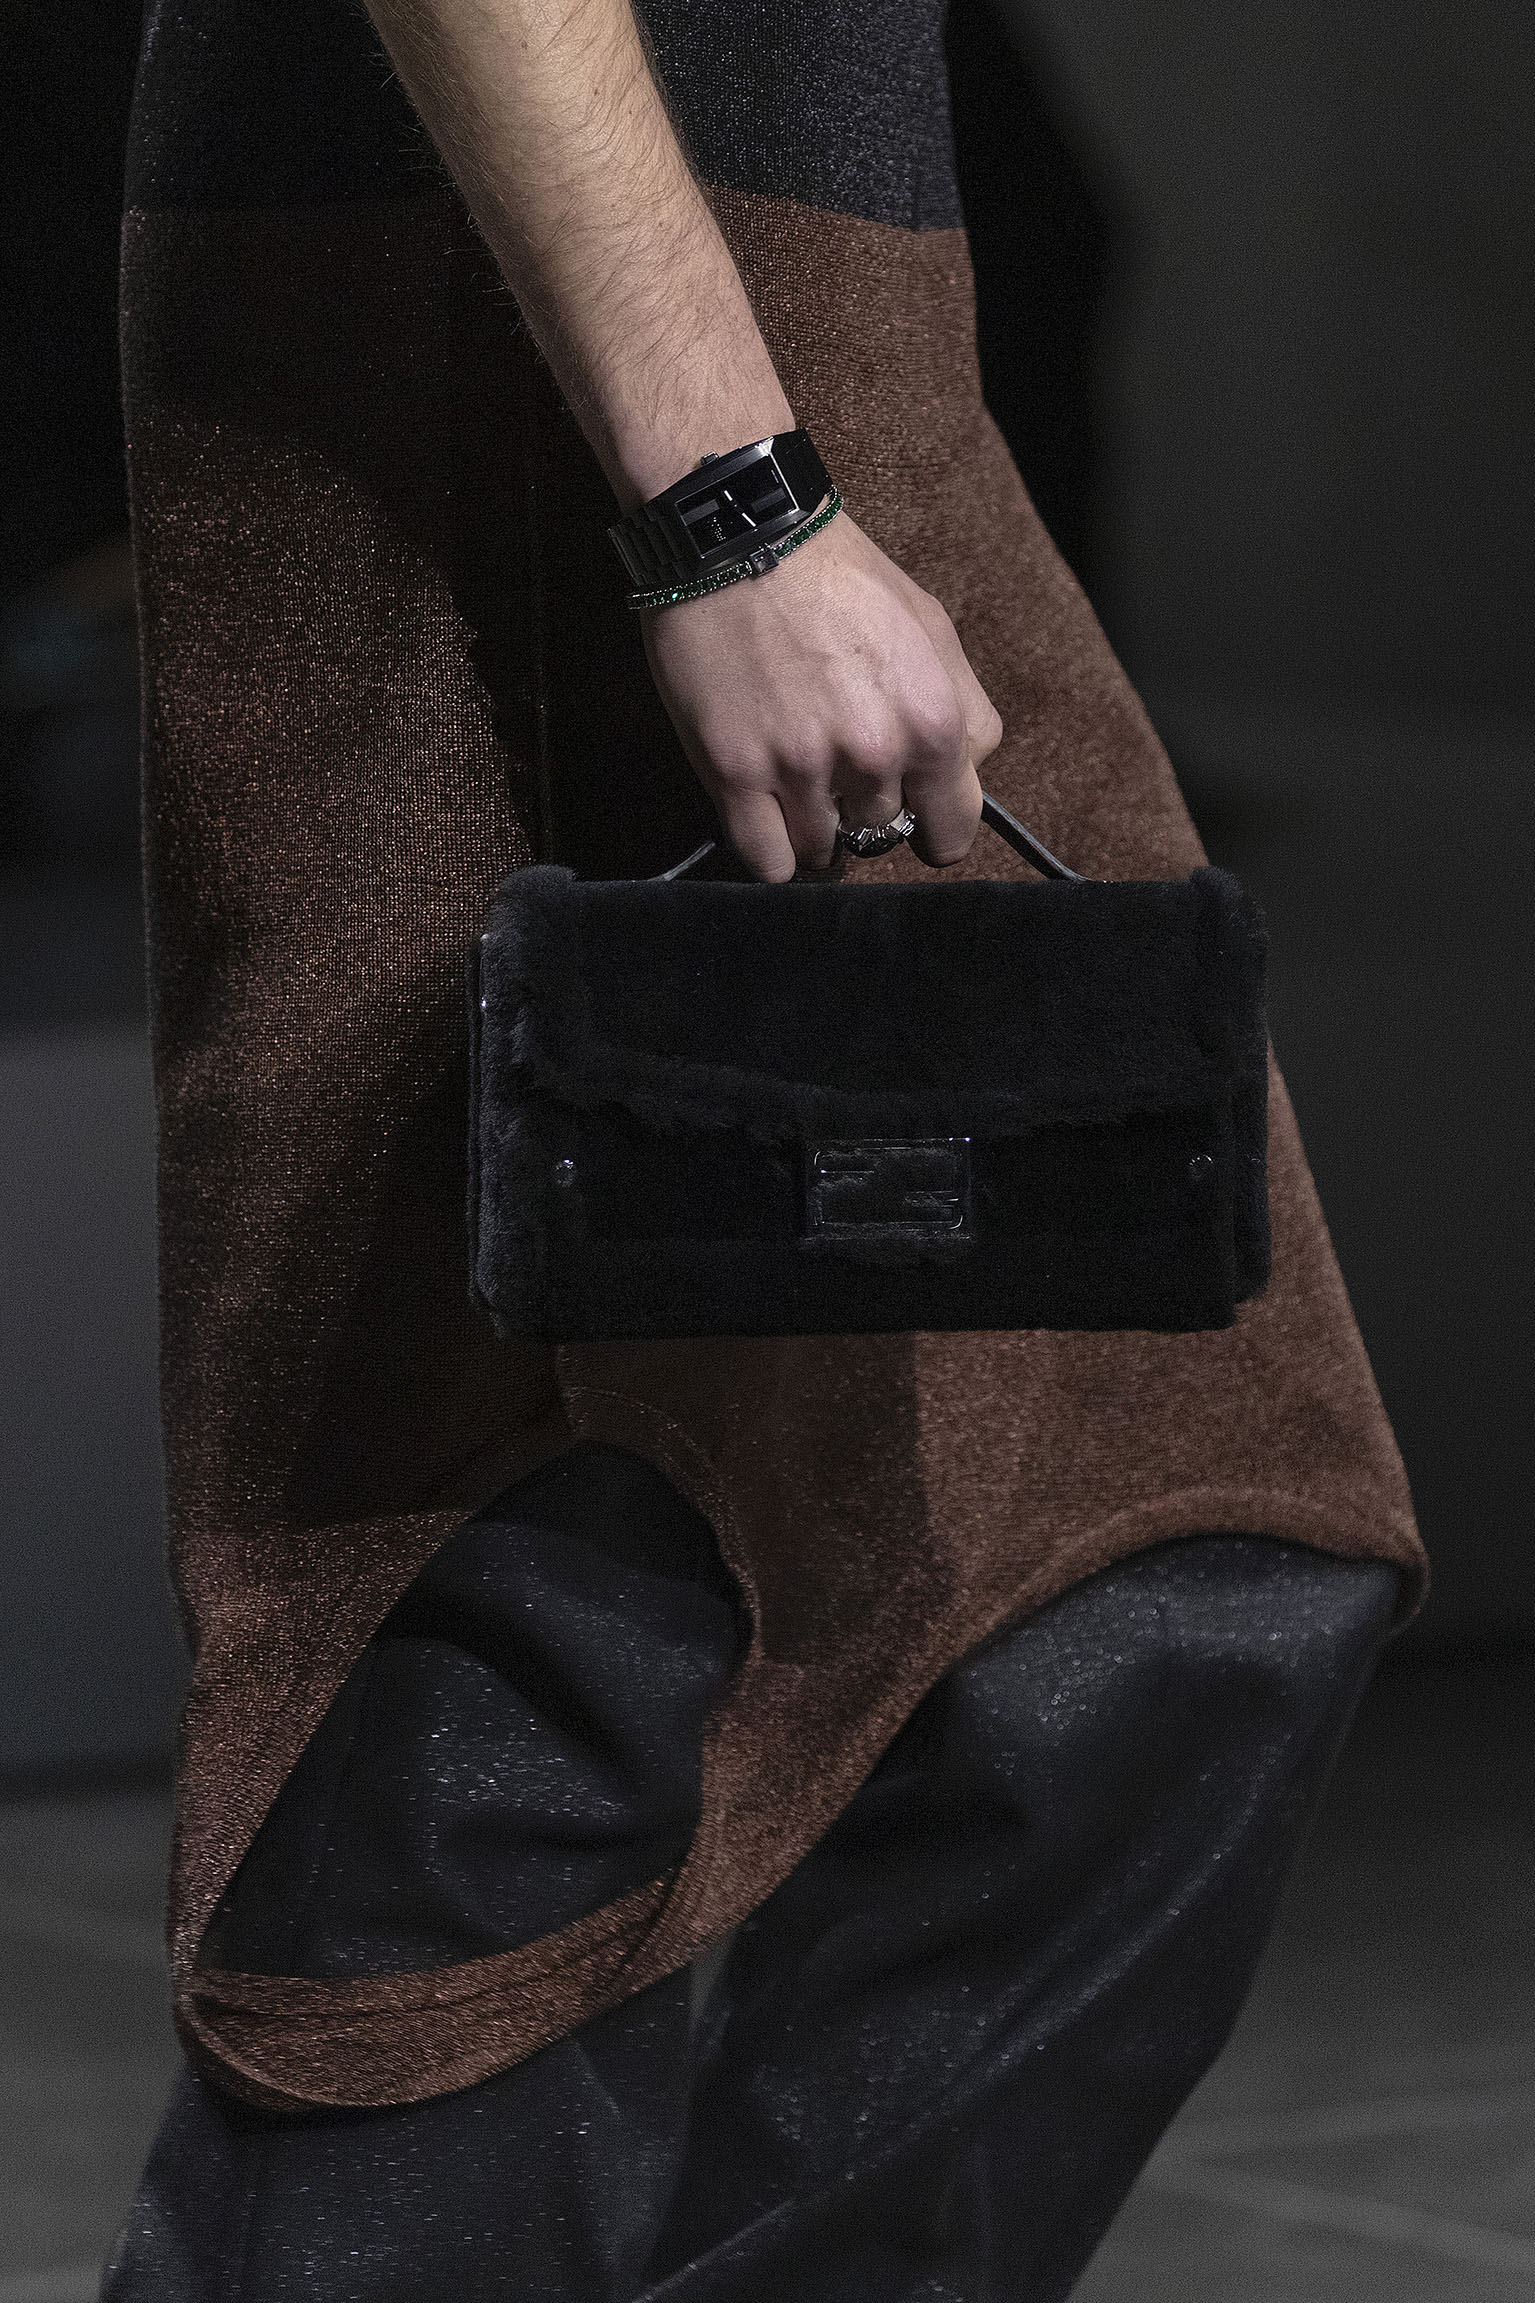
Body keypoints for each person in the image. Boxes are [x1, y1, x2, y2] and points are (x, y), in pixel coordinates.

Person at [105, 0, 1424, 2294]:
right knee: (520, 1601)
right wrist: (731, 504)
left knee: (1154, 1572)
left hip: (786, 302)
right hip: (541, 338)